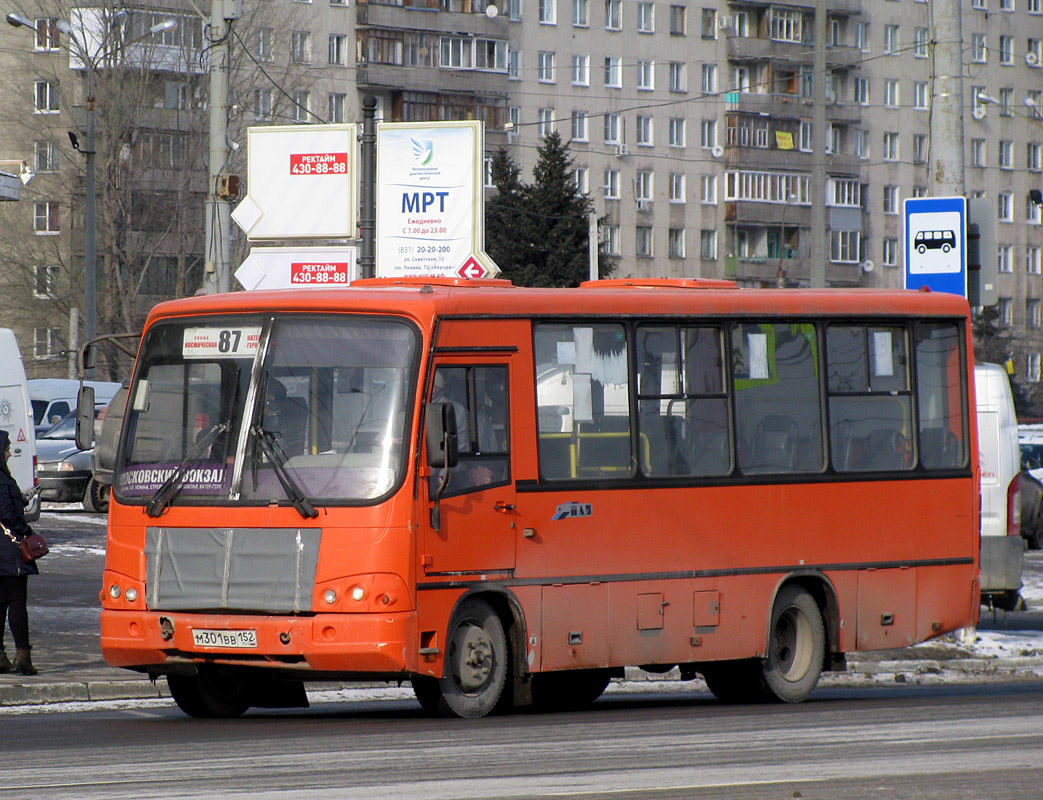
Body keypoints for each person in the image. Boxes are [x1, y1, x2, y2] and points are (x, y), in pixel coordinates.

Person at [0, 429, 39, 675]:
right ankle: (22, 655)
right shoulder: (2, 480)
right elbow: (5, 512)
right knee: (16, 602)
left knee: (0, 603)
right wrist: (26, 529)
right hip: (9, 551)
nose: (9, 453)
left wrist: (22, 499)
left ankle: (1, 657)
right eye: (6, 449)